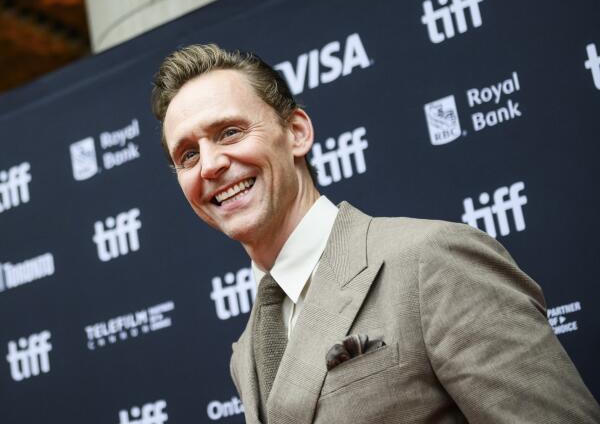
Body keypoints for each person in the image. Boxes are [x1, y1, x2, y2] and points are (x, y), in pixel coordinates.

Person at [151, 43, 600, 423]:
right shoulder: (248, 348)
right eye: (187, 154)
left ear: (297, 133)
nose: (209, 165)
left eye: (229, 132)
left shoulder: (430, 261)